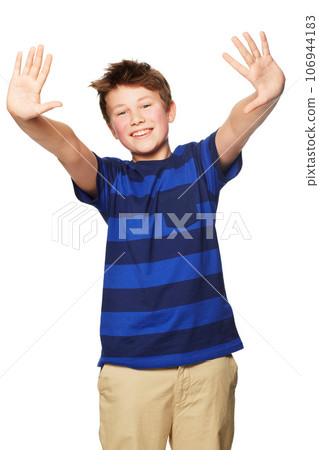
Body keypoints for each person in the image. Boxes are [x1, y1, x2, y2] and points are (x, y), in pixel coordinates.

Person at [7, 31, 285, 450]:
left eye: (145, 105)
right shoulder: (111, 179)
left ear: (169, 110)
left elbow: (236, 124)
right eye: (121, 112)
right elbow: (67, 148)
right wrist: (29, 118)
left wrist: (267, 94)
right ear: (112, 130)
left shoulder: (199, 164)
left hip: (208, 361)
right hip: (131, 369)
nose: (135, 117)